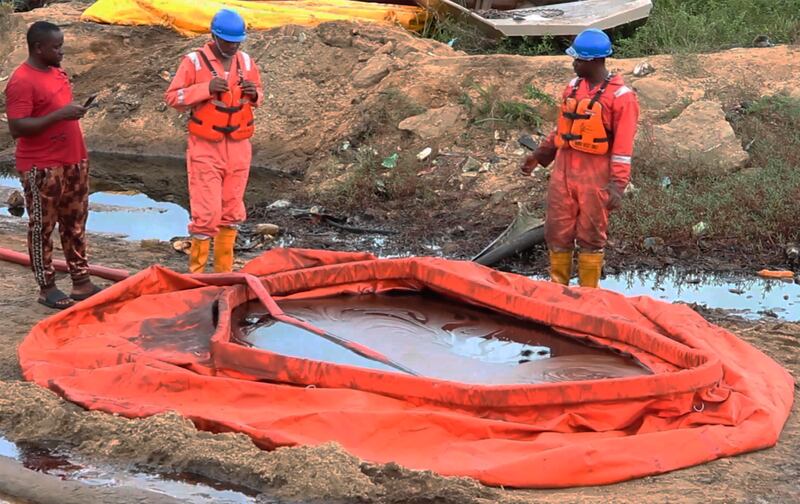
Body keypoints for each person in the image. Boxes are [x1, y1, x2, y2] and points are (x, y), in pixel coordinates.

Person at [521, 29, 639, 288]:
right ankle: (557, 291)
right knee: (557, 232)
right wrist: (539, 156)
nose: (573, 64)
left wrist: (618, 185)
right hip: (563, 171)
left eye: (578, 59)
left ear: (594, 61)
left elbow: (622, 148)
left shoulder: (622, 98)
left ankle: (588, 297)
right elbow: (561, 129)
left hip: (595, 176)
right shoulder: (572, 88)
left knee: (591, 236)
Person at [5, 21, 101, 309]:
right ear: (38, 48)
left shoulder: (57, 72)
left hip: (72, 159)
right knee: (43, 227)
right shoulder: (22, 80)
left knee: (75, 222)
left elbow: (55, 112)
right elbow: (18, 127)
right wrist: (60, 115)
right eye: (56, 47)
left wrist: (69, 114)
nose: (61, 51)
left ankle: (80, 281)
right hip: (41, 166)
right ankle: (47, 287)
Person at [165, 8, 263, 273]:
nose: (232, 46)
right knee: (205, 214)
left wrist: (255, 94)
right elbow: (174, 97)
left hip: (239, 147)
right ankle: (197, 275)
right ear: (214, 36)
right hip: (205, 147)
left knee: (231, 212)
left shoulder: (246, 61)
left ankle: (224, 274)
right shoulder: (193, 62)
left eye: (237, 41)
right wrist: (205, 89)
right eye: (228, 41)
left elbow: (259, 95)